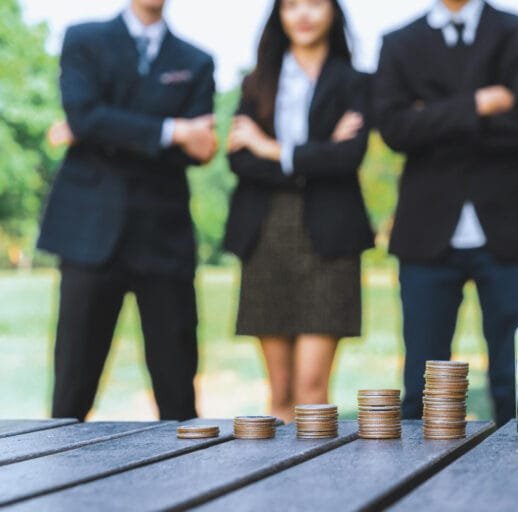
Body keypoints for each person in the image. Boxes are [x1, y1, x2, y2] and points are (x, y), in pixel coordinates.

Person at [374, 0, 518, 426]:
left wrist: (432, 116)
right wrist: (480, 103)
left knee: (516, 381)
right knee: (423, 385)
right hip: (427, 232)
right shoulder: (398, 42)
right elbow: (395, 129)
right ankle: (414, 487)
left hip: (512, 227)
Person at [38, 0, 217, 421]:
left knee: (177, 395)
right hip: (88, 233)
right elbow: (83, 117)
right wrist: (171, 130)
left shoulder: (196, 60)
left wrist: (104, 127)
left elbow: (201, 147)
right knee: (71, 393)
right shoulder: (84, 39)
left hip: (163, 236)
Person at [223, 0, 374, 422]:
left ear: (333, 12)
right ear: (279, 16)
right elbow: (239, 161)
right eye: (291, 5)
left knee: (311, 390)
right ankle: (278, 484)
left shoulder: (355, 82)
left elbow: (348, 158)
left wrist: (271, 148)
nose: (303, 14)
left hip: (330, 236)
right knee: (279, 392)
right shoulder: (256, 82)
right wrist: (315, 157)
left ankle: (314, 484)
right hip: (265, 233)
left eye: (314, 3)